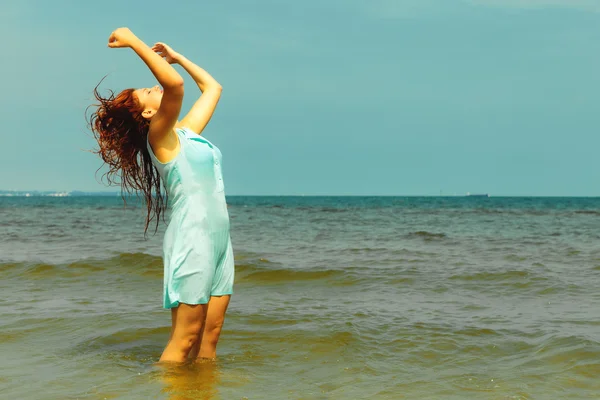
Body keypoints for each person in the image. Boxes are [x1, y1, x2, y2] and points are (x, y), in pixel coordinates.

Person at [88, 27, 234, 363]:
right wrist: (134, 42)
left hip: (219, 240)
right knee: (185, 341)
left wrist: (179, 58)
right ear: (149, 114)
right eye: (146, 92)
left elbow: (213, 88)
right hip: (192, 238)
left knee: (209, 339)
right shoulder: (161, 138)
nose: (153, 87)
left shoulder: (186, 135)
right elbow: (175, 85)